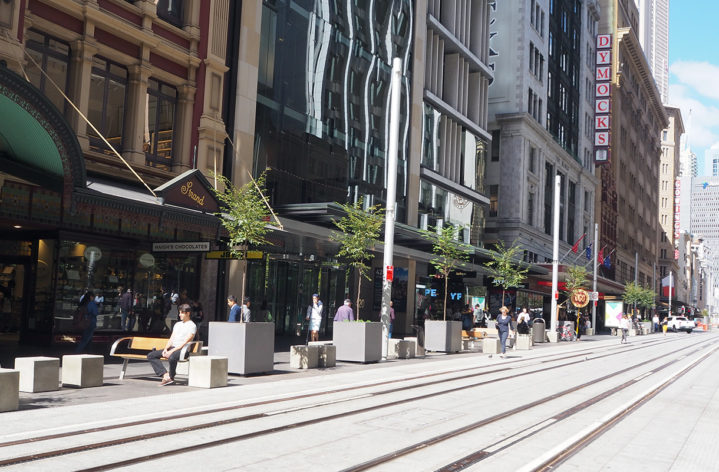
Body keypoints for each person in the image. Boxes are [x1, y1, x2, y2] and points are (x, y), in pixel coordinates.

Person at [147, 304, 197, 386]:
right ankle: (165, 375)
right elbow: (171, 338)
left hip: (183, 350)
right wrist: (166, 349)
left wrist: (171, 351)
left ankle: (171, 377)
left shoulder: (192, 326)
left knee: (172, 357)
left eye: (182, 313)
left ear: (188, 313)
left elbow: (185, 342)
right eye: (179, 312)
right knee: (151, 355)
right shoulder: (177, 324)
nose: (179, 314)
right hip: (173, 348)